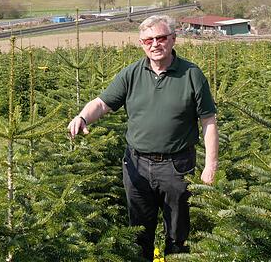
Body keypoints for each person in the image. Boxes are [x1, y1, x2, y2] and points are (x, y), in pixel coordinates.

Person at [67, 14, 218, 260]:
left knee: (177, 234)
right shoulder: (131, 74)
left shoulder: (192, 75)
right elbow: (102, 103)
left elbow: (208, 121)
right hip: (137, 165)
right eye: (148, 40)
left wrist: (210, 165)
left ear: (173, 39)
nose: (155, 44)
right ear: (141, 44)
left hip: (177, 167)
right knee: (139, 233)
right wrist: (82, 117)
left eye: (161, 38)